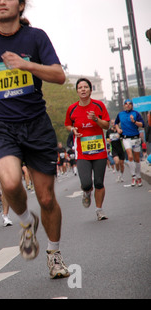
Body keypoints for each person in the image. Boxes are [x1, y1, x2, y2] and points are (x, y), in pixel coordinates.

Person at [0, 0, 69, 278]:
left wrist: (25, 64)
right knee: (11, 183)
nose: (2, 1)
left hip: (36, 125)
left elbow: (59, 75)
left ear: (21, 5)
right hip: (1, 126)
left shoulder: (36, 37)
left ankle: (54, 253)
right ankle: (27, 222)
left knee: (47, 198)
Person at [65, 78, 110, 221]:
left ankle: (99, 210)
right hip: (82, 151)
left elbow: (106, 126)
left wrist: (96, 119)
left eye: (86, 87)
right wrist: (73, 130)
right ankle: (86, 192)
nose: (83, 89)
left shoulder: (99, 105)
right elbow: (67, 124)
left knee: (98, 183)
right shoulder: (72, 108)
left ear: (90, 90)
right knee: (86, 183)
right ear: (77, 91)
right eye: (80, 87)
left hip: (99, 150)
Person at [115, 99, 145, 187]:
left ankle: (139, 177)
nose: (128, 105)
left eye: (130, 104)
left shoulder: (136, 113)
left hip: (135, 137)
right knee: (130, 156)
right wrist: (118, 129)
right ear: (124, 105)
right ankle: (133, 176)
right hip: (126, 138)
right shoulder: (120, 114)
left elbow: (142, 124)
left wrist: (134, 121)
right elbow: (116, 123)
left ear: (132, 105)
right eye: (126, 104)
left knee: (137, 158)